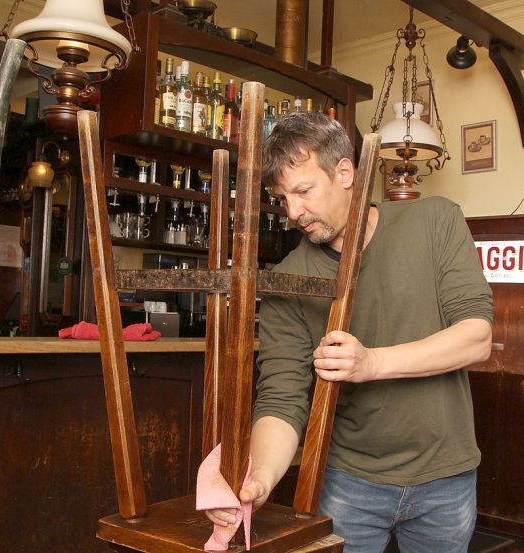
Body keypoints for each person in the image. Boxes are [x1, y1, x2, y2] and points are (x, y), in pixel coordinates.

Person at [204, 111, 495, 552]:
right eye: (282, 198)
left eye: (303, 191)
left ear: (344, 172)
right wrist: (258, 478)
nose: (293, 212)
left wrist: (372, 362)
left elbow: (476, 337)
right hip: (348, 480)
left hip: (445, 477)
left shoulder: (435, 221)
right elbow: (283, 396)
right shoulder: (288, 277)